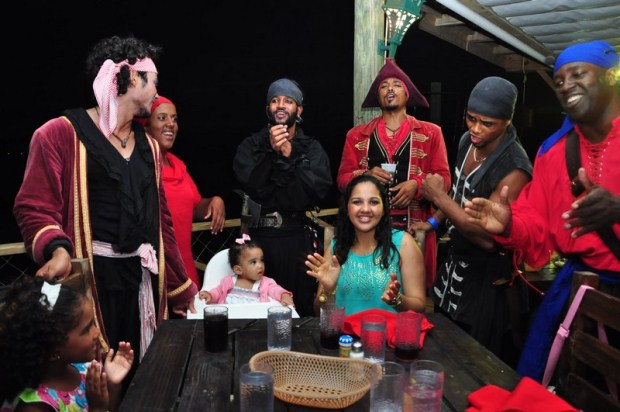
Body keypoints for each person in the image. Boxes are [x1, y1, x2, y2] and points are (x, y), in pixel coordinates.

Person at [12, 35, 198, 377]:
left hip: (142, 284)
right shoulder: (58, 134)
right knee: (96, 380)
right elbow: (33, 205)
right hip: (92, 287)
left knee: (143, 377)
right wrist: (57, 250)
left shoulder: (151, 149)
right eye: (153, 80)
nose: (158, 92)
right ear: (128, 79)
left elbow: (163, 228)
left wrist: (183, 291)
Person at [463, 40, 620, 381]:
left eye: (578, 75)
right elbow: (536, 222)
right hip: (584, 289)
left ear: (612, 77)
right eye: (559, 80)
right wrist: (508, 225)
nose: (566, 86)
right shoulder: (554, 153)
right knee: (569, 384)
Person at [410, 77, 533, 366]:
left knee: (476, 366)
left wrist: (437, 198)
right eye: (471, 118)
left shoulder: (515, 167)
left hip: (489, 283)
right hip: (455, 268)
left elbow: (487, 238)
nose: (476, 129)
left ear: (507, 120)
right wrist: (436, 222)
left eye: (487, 123)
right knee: (441, 352)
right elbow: (460, 192)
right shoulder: (468, 142)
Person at [337, 58, 451, 289]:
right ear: (377, 96)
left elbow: (445, 180)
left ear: (408, 94)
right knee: (369, 290)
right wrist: (365, 175)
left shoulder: (431, 133)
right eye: (383, 85)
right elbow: (342, 180)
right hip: (367, 230)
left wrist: (417, 186)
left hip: (414, 229)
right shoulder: (357, 135)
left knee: (412, 297)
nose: (390, 89)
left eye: (397, 84)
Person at [233, 78, 333, 317]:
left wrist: (288, 158)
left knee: (299, 307)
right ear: (268, 108)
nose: (280, 105)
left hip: (297, 241)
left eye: (288, 101)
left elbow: (314, 193)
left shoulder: (312, 148)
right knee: (256, 308)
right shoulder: (251, 145)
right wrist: (271, 154)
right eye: (275, 100)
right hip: (258, 242)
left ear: (298, 110)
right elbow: (253, 186)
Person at [0, 276, 134, 411]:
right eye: (86, 329)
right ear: (53, 350)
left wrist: (112, 384)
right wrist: (97, 408)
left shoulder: (85, 369)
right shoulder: (35, 407)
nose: (97, 333)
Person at [305, 175, 427, 316]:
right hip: (346, 337)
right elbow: (318, 312)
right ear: (347, 208)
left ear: (383, 208)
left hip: (388, 336)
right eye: (357, 202)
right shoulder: (336, 247)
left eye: (374, 202)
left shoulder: (404, 243)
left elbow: (420, 307)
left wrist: (397, 300)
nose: (365, 209)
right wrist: (327, 290)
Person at [141, 95, 226, 288]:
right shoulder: (140, 168)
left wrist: (214, 201)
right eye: (162, 118)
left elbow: (196, 208)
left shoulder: (177, 164)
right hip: (155, 271)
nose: (171, 124)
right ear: (145, 126)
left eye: (174, 119)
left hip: (185, 270)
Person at [198, 235, 294, 306]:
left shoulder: (265, 283)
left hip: (255, 321)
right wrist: (210, 295)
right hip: (231, 320)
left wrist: (283, 294)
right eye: (253, 262)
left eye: (262, 260)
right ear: (238, 270)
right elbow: (218, 292)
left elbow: (275, 290)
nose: (260, 265)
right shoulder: (228, 281)